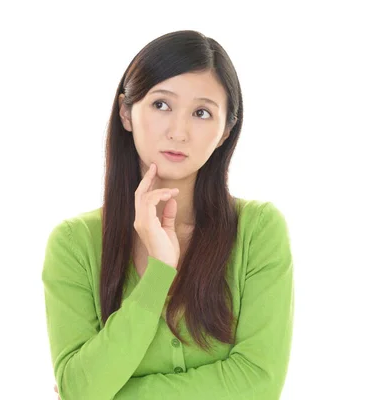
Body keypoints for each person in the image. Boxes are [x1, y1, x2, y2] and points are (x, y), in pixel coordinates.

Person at [42, 29, 294, 400]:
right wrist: (160, 272)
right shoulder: (74, 244)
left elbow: (259, 381)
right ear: (127, 111)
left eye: (202, 113)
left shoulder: (258, 230)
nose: (178, 131)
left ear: (226, 131)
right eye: (161, 104)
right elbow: (81, 390)